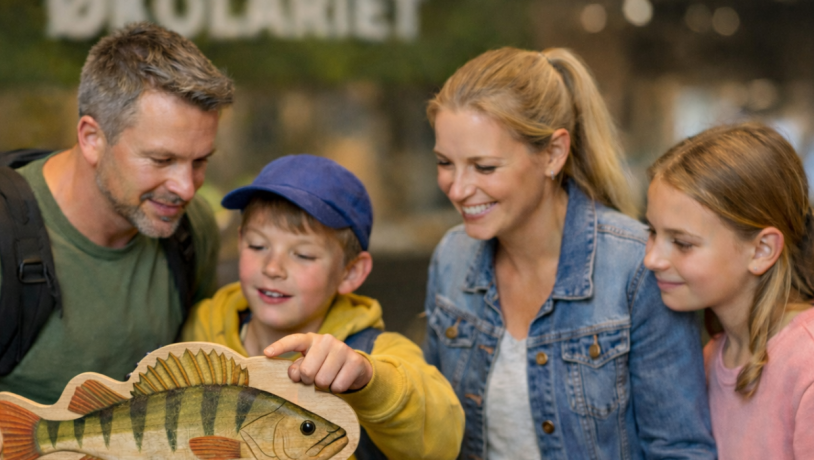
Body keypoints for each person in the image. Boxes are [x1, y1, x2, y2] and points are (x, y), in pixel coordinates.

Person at [423, 47, 716, 459]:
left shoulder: (636, 267)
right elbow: (432, 430)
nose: (457, 189)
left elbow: (679, 449)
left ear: (553, 154)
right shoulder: (451, 257)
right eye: (444, 163)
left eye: (484, 167)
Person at [0, 22, 233, 404]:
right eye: (162, 159)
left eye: (200, 161)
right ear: (92, 139)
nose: (187, 188)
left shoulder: (192, 230)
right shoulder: (5, 235)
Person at [181, 154, 465, 460]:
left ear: (351, 272)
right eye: (258, 245)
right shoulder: (200, 332)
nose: (273, 268)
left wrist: (368, 381)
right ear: (239, 242)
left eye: (303, 255)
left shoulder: (380, 353)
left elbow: (443, 438)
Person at [644, 123, 814, 459]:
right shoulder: (710, 358)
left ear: (762, 250)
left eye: (682, 243)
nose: (651, 259)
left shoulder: (806, 366)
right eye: (651, 231)